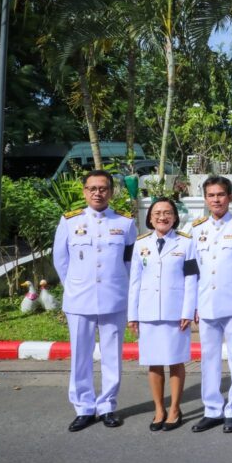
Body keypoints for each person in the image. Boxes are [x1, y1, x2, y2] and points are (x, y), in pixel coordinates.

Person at [52, 170, 137, 432]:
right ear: (84, 191)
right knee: (80, 355)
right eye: (92, 188)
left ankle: (107, 405)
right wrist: (74, 286)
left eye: (103, 188)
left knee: (112, 355)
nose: (97, 193)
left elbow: (130, 262)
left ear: (111, 192)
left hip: (114, 298)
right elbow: (61, 260)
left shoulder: (125, 223)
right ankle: (84, 408)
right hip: (79, 300)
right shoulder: (69, 221)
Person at [128, 198, 198, 431]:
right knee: (154, 363)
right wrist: (133, 314)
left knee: (176, 361)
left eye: (167, 212)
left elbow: (191, 279)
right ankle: (159, 409)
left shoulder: (186, 243)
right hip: (148, 311)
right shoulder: (141, 244)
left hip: (175, 312)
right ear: (150, 217)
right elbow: (135, 281)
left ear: (175, 217)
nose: (162, 217)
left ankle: (175, 409)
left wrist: (188, 310)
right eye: (157, 213)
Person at [189, 176, 232, 434]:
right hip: (206, 303)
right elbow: (192, 271)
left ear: (230, 197)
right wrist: (193, 305)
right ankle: (212, 409)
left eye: (221, 194)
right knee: (209, 360)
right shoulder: (196, 229)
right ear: (205, 199)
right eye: (211, 195)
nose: (216, 199)